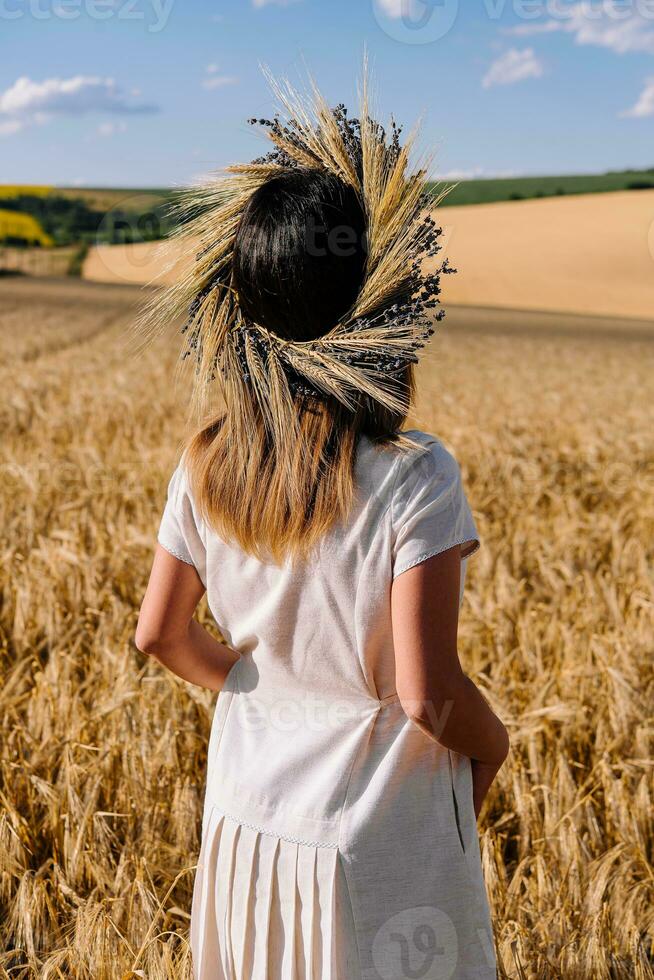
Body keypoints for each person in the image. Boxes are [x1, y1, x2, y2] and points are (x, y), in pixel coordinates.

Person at [136, 79, 509, 980]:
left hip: (245, 822)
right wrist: (493, 747)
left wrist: (270, 690)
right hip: (375, 842)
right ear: (380, 307)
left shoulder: (206, 461)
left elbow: (160, 633)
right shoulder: (415, 473)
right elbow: (425, 696)